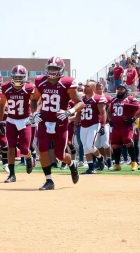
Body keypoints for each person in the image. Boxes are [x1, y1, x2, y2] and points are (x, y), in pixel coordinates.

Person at [30, 56, 84, 190]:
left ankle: (72, 164)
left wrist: (69, 111)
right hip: (43, 120)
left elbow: (81, 103)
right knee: (42, 149)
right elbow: (34, 99)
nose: (52, 71)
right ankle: (49, 181)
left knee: (60, 155)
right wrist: (34, 113)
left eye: (55, 68)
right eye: (50, 68)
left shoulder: (67, 83)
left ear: (61, 70)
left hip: (60, 122)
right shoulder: (40, 81)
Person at [0, 65, 35, 183]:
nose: (18, 79)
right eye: (16, 77)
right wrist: (0, 121)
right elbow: (2, 104)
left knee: (25, 149)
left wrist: (35, 114)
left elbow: (36, 101)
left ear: (25, 77)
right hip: (11, 120)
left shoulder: (30, 88)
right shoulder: (6, 87)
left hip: (25, 120)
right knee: (11, 147)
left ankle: (29, 158)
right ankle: (12, 174)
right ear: (12, 77)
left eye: (20, 77)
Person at [107, 84, 140, 171]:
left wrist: (133, 119)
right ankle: (117, 164)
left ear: (126, 90)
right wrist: (110, 119)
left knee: (128, 143)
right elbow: (108, 111)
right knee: (115, 145)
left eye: (122, 89)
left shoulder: (131, 99)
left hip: (126, 126)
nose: (119, 90)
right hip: (116, 127)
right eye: (118, 89)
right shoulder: (114, 99)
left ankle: (134, 162)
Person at [76, 80, 106, 174]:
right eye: (85, 86)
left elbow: (103, 112)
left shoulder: (98, 98)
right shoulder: (81, 99)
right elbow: (79, 112)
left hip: (94, 124)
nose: (85, 88)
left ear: (93, 88)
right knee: (85, 147)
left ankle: (100, 159)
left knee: (90, 146)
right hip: (83, 125)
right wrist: (76, 123)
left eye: (87, 86)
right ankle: (91, 168)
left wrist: (103, 125)